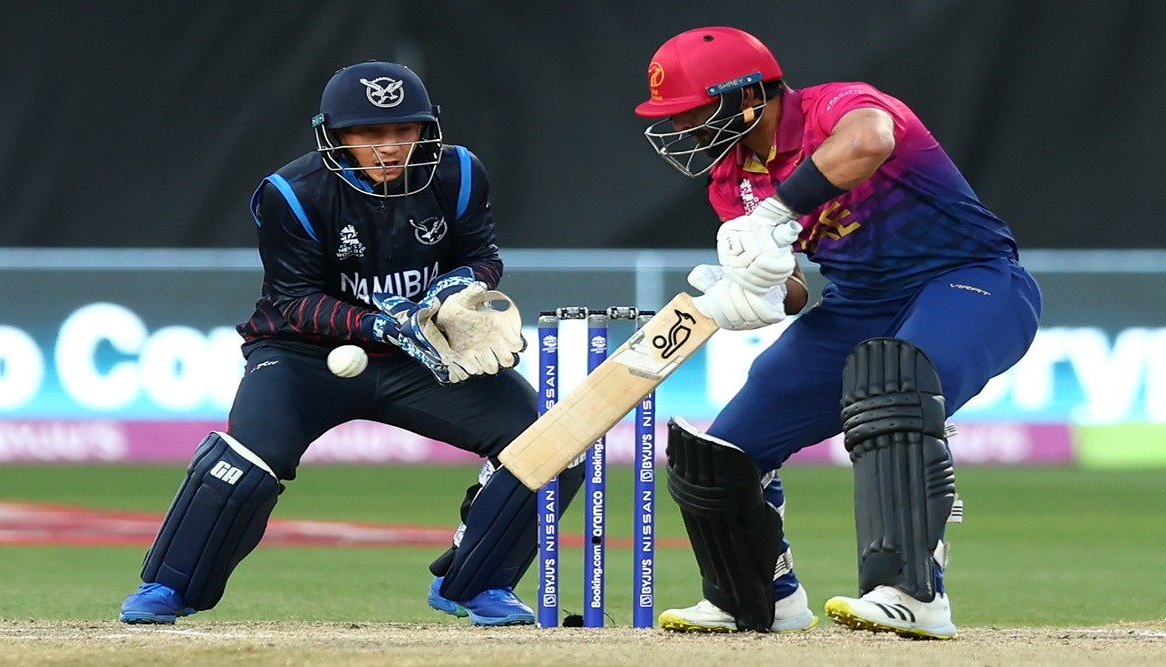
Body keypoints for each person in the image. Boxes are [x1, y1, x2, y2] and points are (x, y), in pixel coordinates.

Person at [118, 60, 583, 626]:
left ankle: (478, 583)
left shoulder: (459, 173)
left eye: (403, 130)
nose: (389, 147)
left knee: (552, 446)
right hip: (301, 354)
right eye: (368, 133)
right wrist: (383, 325)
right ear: (335, 136)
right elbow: (294, 299)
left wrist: (458, 288)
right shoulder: (292, 193)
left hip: (425, 354)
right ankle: (169, 587)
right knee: (247, 461)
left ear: (425, 128)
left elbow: (481, 256)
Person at [634, 27, 1042, 639]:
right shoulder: (730, 180)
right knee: (720, 455)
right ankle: (760, 599)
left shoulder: (836, 106)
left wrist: (775, 212)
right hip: (859, 303)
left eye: (694, 110)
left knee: (897, 386)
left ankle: (913, 594)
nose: (683, 127)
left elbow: (870, 140)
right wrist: (754, 289)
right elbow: (793, 287)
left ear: (749, 96)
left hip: (971, 279)